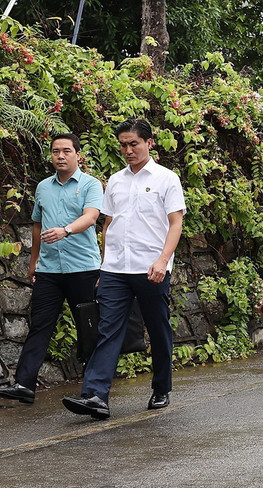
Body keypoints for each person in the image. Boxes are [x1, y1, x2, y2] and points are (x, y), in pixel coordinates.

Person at [62, 119, 185, 420]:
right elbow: (109, 223)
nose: (128, 150)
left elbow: (176, 223)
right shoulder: (115, 180)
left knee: (158, 328)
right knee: (107, 329)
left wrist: (162, 261)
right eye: (123, 145)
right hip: (116, 269)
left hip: (150, 268)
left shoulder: (166, 179)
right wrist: (104, 266)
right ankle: (95, 396)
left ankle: (161, 387)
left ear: (149, 143)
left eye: (134, 144)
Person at [0, 134, 102, 405]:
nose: (60, 156)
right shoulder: (43, 187)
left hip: (83, 268)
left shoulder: (91, 185)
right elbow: (37, 224)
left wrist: (66, 231)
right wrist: (33, 260)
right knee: (40, 325)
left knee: (87, 328)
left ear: (78, 155)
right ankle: (24, 384)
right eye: (55, 151)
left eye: (66, 151)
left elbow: (91, 216)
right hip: (49, 270)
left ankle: (93, 390)